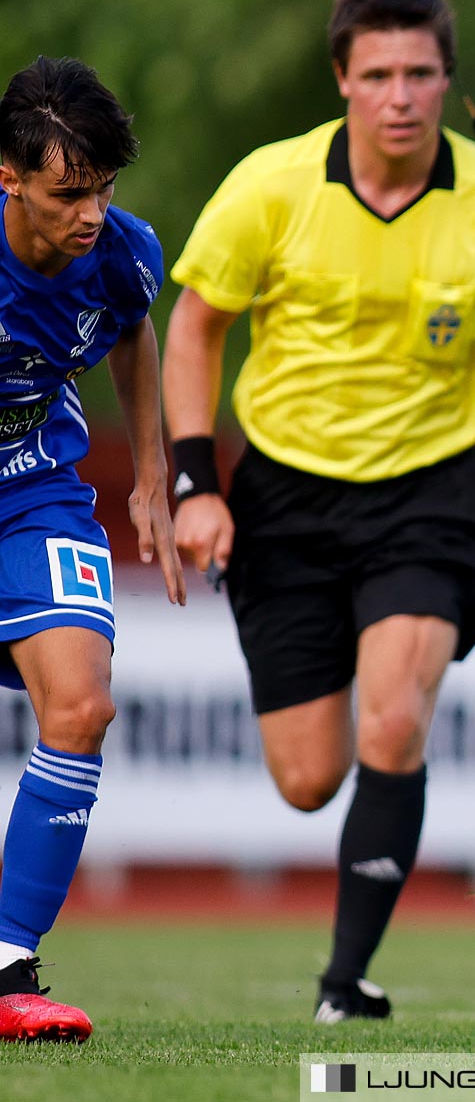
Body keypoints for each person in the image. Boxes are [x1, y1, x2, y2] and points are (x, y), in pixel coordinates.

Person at [161, 0, 475, 1023]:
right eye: (378, 75)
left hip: (433, 494)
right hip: (283, 493)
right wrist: (194, 482)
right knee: (309, 778)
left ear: (450, 83)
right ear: (342, 82)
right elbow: (193, 327)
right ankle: (344, 939)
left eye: (420, 73)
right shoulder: (270, 187)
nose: (399, 95)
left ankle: (344, 984)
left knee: (395, 716)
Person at [0, 57, 185, 1041]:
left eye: (106, 187)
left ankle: (6, 966)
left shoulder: (122, 251)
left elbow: (133, 330)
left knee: (82, 701)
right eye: (71, 192)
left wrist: (151, 474)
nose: (91, 213)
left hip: (35, 494)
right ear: (9, 177)